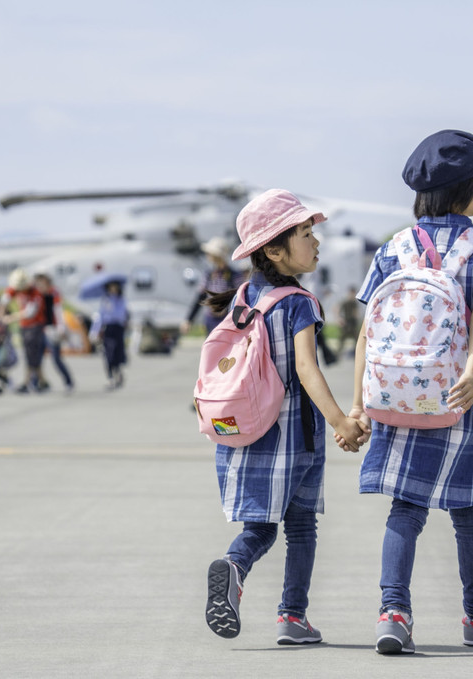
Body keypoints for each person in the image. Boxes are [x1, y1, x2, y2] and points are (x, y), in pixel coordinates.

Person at [348, 129, 473, 654]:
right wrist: (471, 369)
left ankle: (393, 612)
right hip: (458, 396)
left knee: (406, 507)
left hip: (397, 395)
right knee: (470, 510)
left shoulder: (393, 248)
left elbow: (367, 331)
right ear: (466, 189)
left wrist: (359, 402)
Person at [203, 189, 368, 647]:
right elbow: (306, 368)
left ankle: (235, 567)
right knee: (300, 528)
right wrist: (340, 422)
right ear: (274, 250)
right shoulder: (298, 302)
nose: (316, 242)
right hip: (295, 437)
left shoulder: (244, 297)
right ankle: (291, 616)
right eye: (306, 234)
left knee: (258, 525)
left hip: (247, 432)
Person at [0, 268, 47, 394]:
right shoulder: (15, 289)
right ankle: (42, 381)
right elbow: (5, 299)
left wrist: (10, 318)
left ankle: (27, 381)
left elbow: (30, 313)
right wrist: (0, 313)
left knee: (31, 355)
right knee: (31, 355)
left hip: (35, 326)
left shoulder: (35, 294)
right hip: (24, 327)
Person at [182, 236, 244, 336]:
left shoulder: (234, 276)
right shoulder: (209, 275)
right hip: (211, 320)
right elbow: (200, 297)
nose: (207, 255)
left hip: (228, 320)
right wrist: (189, 319)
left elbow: (240, 299)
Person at [35, 272, 75, 393]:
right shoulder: (37, 295)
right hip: (40, 329)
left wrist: (61, 327)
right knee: (37, 359)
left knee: (56, 358)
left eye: (41, 282)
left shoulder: (53, 293)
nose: (39, 285)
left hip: (53, 329)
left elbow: (58, 310)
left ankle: (68, 381)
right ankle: (38, 383)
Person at [88, 278, 129, 390]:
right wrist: (94, 331)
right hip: (108, 328)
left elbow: (121, 315)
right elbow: (99, 317)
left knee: (118, 352)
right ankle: (110, 377)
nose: (113, 289)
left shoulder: (121, 300)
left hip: (118, 327)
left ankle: (118, 372)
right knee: (108, 353)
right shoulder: (105, 300)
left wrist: (113, 311)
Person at [336, 285, 361, 357]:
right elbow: (337, 309)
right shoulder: (345, 301)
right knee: (342, 339)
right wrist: (339, 318)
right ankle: (337, 354)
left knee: (357, 339)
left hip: (353, 323)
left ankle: (357, 353)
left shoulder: (354, 302)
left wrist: (357, 318)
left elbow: (356, 312)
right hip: (346, 322)